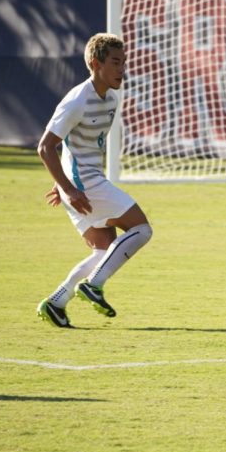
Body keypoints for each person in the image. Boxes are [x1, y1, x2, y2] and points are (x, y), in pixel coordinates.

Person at [36, 33, 153, 328]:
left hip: (82, 182)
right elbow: (45, 147)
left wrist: (61, 183)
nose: (121, 69)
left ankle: (56, 302)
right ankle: (93, 286)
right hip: (82, 184)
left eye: (123, 63)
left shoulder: (111, 100)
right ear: (95, 63)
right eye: (115, 63)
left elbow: (80, 146)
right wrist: (67, 187)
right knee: (141, 229)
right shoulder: (77, 99)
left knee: (103, 251)